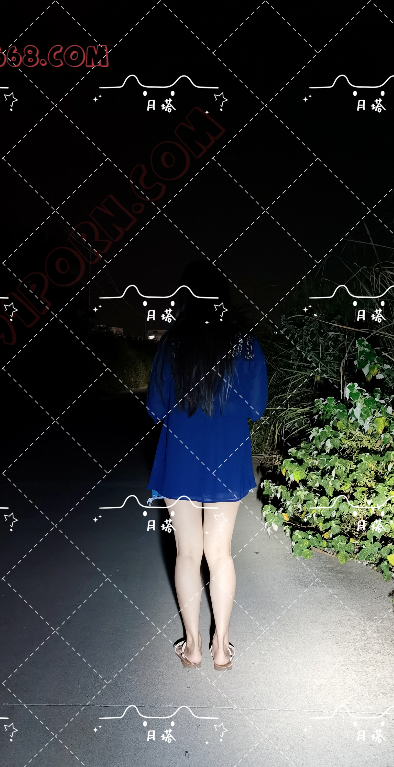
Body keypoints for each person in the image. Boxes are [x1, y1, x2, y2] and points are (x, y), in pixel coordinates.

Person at [145, 260, 268, 670]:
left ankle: (193, 647)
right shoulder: (244, 345)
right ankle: (222, 647)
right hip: (226, 458)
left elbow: (156, 407)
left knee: (187, 554)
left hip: (180, 458)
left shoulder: (171, 346)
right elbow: (255, 407)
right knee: (220, 553)